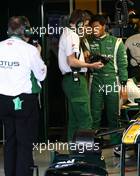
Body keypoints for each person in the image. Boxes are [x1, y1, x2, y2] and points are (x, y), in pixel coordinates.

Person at [0, 16, 47, 176]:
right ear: (26, 30)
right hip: (23, 101)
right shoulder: (30, 50)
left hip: (3, 100)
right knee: (24, 142)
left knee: (10, 140)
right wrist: (38, 54)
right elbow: (41, 75)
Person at [58, 10, 104, 142]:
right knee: (85, 118)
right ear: (78, 24)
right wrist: (92, 66)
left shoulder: (68, 33)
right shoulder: (72, 36)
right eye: (85, 25)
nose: (86, 29)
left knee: (74, 120)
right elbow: (71, 61)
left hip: (71, 79)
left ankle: (74, 153)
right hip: (75, 80)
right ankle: (84, 155)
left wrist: (86, 63)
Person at [85, 15, 128, 146]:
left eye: (97, 27)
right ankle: (93, 143)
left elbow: (122, 64)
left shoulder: (117, 42)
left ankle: (116, 144)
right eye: (92, 28)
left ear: (104, 26)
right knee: (94, 114)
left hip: (112, 81)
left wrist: (124, 84)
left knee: (114, 114)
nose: (94, 30)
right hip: (95, 80)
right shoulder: (87, 42)